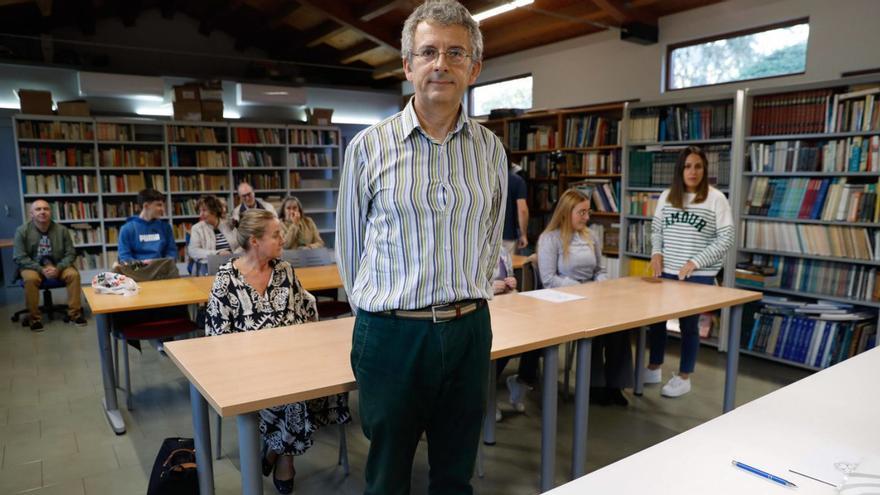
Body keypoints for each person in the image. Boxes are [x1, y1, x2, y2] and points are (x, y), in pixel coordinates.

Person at [336, 1, 506, 492]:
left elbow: (491, 235)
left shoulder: (490, 148)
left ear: (473, 69)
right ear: (408, 65)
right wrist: (383, 317)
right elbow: (349, 250)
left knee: (456, 473)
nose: (441, 64)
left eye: (455, 53)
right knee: (388, 475)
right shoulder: (368, 147)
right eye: (428, 52)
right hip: (392, 336)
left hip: (470, 330)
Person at [205, 210, 350, 494]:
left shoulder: (284, 270)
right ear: (256, 241)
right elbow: (214, 342)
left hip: (291, 362)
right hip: (247, 371)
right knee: (292, 398)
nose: (283, 238)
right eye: (275, 234)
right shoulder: (226, 280)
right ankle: (285, 461)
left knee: (325, 380)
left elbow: (306, 314)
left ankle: (273, 450)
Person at [644, 146, 734, 398]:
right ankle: (654, 367)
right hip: (667, 270)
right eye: (687, 166)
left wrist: (695, 262)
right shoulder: (667, 196)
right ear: (680, 170)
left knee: (689, 325)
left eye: (698, 166)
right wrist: (656, 253)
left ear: (704, 170)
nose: (692, 171)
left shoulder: (716, 198)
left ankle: (684, 377)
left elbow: (726, 237)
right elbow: (657, 229)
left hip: (699, 274)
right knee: (657, 322)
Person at [538, 188, 632, 406]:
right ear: (566, 212)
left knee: (621, 326)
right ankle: (595, 386)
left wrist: (601, 283)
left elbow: (599, 269)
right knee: (595, 328)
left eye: (588, 212)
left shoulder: (590, 236)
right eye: (582, 212)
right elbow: (549, 279)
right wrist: (581, 290)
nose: (587, 217)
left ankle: (615, 385)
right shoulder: (549, 239)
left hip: (592, 298)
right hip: (563, 302)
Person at [13, 199, 87, 331]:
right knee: (30, 279)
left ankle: (74, 315)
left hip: (58, 265)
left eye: (45, 209)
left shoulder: (62, 230)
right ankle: (34, 319)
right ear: (31, 214)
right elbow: (19, 257)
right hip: (32, 266)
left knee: (73, 275)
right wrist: (41, 269)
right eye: (38, 209)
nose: (42, 212)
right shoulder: (21, 231)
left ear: (50, 212)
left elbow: (70, 253)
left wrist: (58, 268)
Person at [489, 248, 539, 420]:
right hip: (484, 307)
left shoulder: (501, 249)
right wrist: (488, 287)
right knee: (503, 342)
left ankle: (522, 380)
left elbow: (510, 277)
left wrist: (512, 281)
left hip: (506, 305)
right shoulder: (469, 246)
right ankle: (488, 393)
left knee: (536, 333)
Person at [117, 188, 176, 263]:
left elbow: (172, 252)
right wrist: (141, 267)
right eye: (159, 205)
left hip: (159, 269)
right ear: (146, 206)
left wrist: (158, 265)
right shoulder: (127, 229)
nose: (163, 209)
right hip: (137, 270)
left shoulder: (165, 227)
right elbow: (125, 257)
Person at [187, 195, 239, 268]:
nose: (200, 214)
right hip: (209, 267)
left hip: (233, 265)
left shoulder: (229, 224)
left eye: (204, 210)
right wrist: (217, 253)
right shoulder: (197, 228)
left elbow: (241, 245)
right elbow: (193, 251)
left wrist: (233, 255)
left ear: (214, 210)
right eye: (199, 211)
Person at [502, 145, 529, 256]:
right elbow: (522, 210)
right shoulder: (517, 181)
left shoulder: (482, 180)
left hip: (484, 235)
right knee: (507, 270)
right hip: (508, 235)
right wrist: (523, 234)